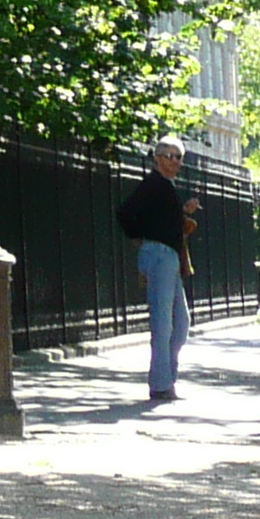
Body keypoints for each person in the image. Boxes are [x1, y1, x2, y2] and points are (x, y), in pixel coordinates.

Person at [114, 137, 201, 404]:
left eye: (179, 157)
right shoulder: (153, 184)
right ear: (157, 157)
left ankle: (166, 378)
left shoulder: (165, 187)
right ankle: (161, 385)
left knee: (181, 323)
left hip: (170, 257)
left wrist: (183, 211)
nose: (175, 161)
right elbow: (125, 214)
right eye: (169, 156)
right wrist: (142, 241)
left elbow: (160, 218)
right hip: (160, 255)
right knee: (163, 323)